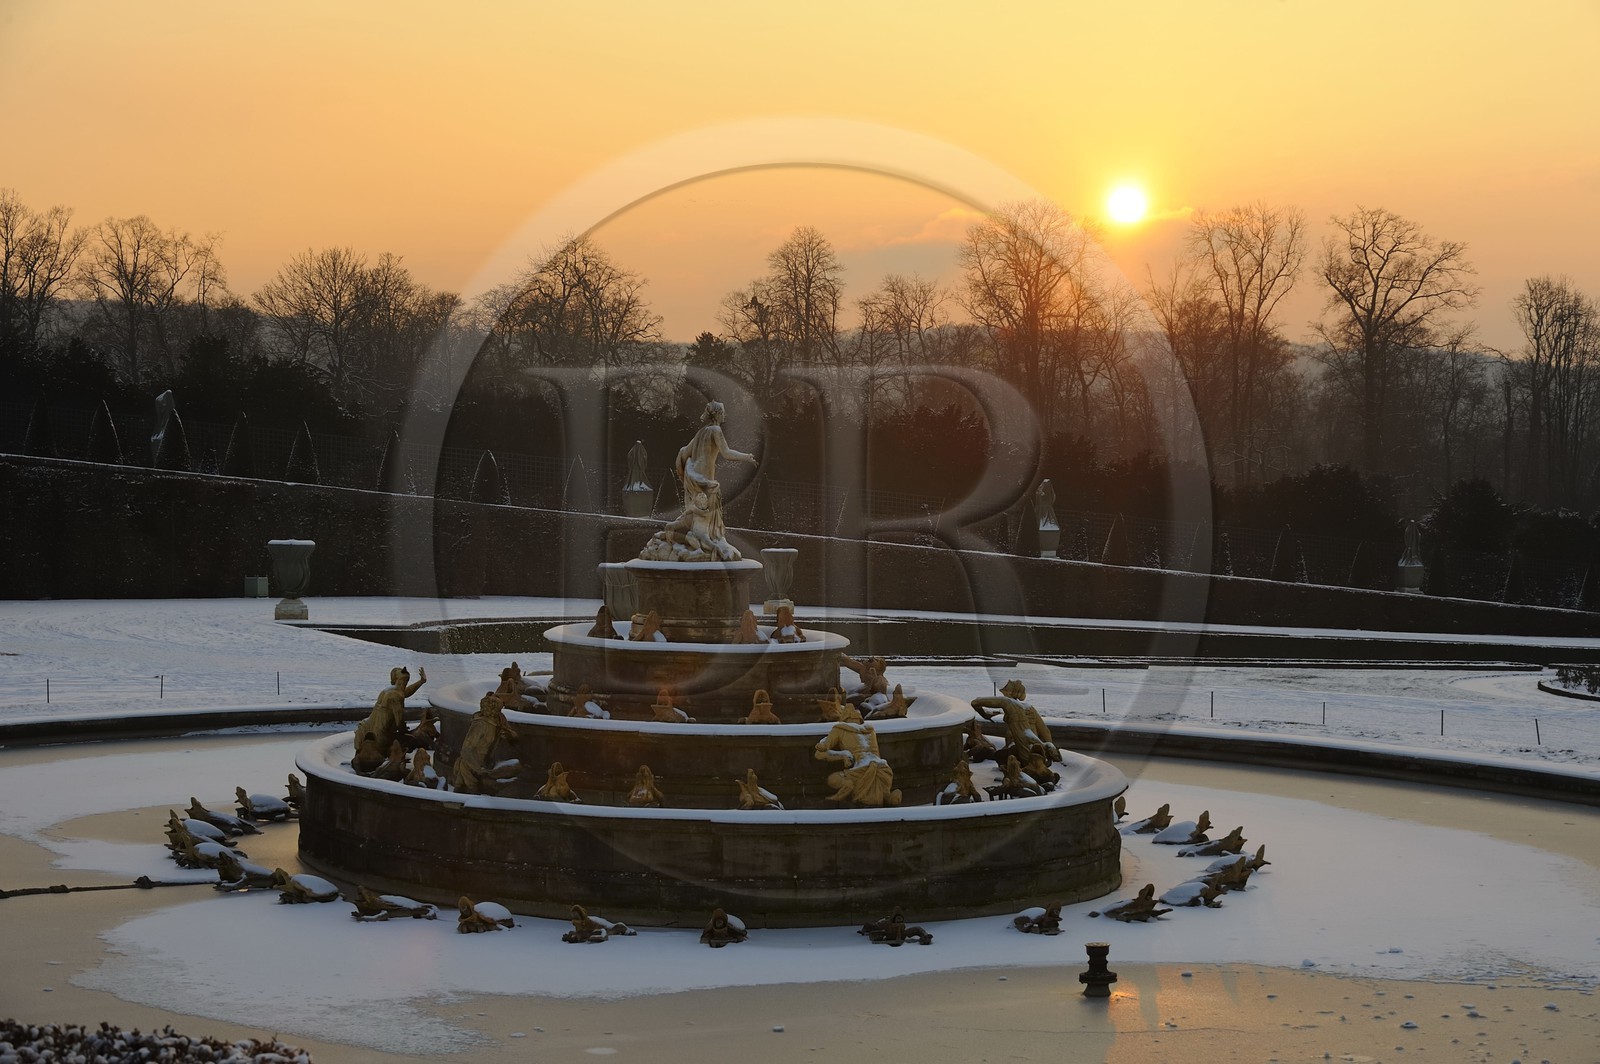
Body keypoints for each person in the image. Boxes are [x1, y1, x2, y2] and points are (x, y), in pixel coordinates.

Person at [641, 401, 756, 561]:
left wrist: (682, 472)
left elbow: (684, 451)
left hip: (692, 475)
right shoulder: (716, 430)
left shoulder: (701, 432)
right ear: (717, 415)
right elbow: (727, 453)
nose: (724, 416)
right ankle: (709, 543)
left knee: (695, 511)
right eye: (722, 413)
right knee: (706, 513)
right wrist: (746, 457)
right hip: (705, 479)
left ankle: (692, 539)